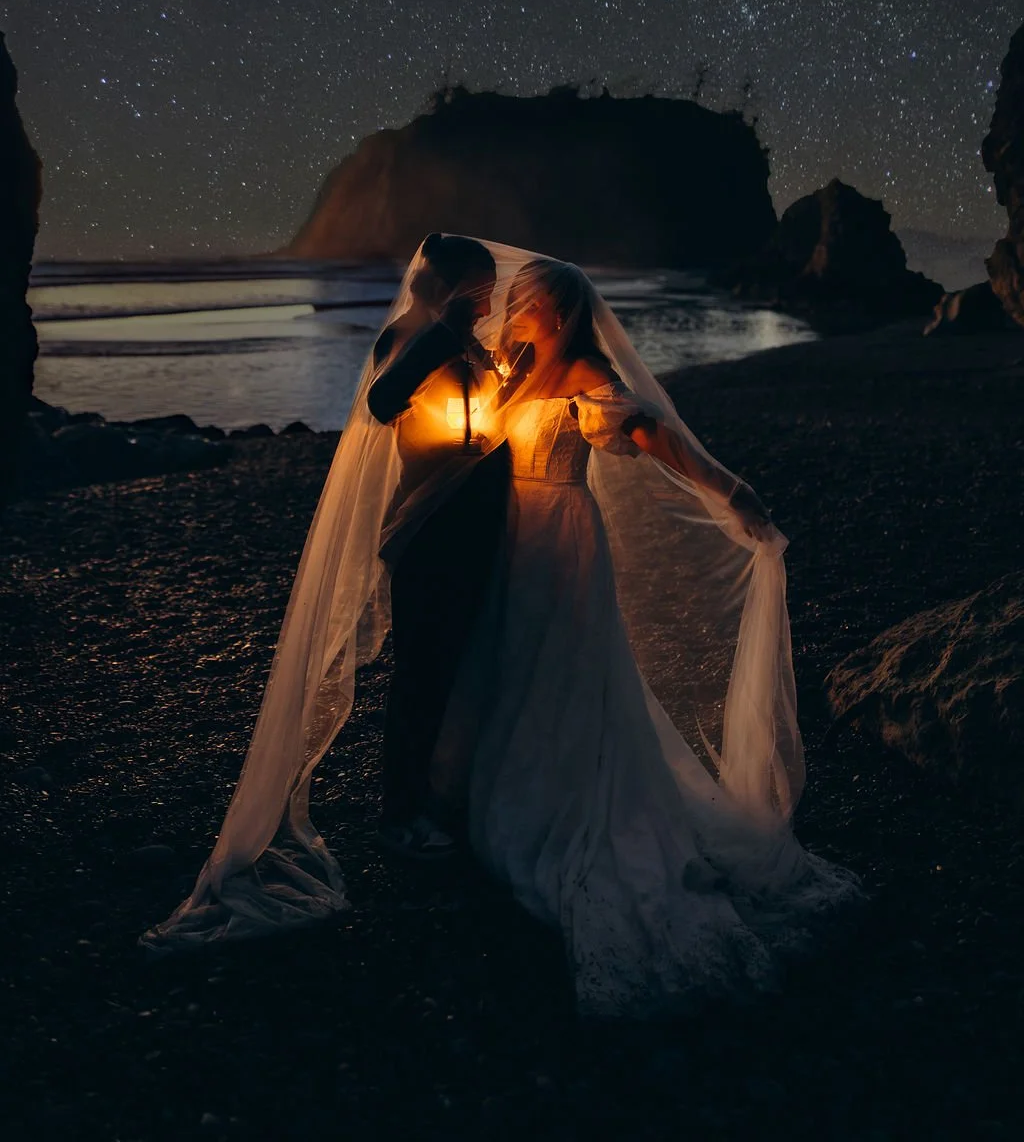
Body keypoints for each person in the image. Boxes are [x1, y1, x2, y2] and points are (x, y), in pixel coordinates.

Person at [141, 239, 857, 1014]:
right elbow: (409, 411)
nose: (501, 306)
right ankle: (446, 804)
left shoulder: (578, 370)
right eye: (488, 295)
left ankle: (537, 803)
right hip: (494, 536)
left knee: (555, 670)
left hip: (559, 536)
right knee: (491, 668)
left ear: (548, 310)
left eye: (513, 298)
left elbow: (648, 431)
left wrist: (730, 488)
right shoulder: (485, 361)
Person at [365, 233, 511, 858]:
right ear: (446, 286)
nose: (486, 305)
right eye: (478, 292)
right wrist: (446, 334)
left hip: (478, 521)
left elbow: (481, 415)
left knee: (461, 661)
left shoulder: (470, 342)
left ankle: (445, 790)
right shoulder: (408, 338)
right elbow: (384, 400)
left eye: (489, 293)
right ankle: (399, 812)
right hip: (431, 526)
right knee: (421, 668)